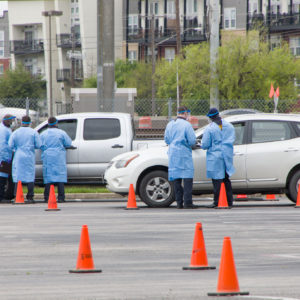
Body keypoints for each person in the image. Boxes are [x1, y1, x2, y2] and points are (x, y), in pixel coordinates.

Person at [201, 108, 235, 208]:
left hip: (215, 156)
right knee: (226, 179)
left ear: (210, 117)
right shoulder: (229, 126)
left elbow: (205, 144)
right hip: (226, 155)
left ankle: (217, 201)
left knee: (217, 180)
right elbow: (232, 139)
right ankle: (229, 201)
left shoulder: (210, 128)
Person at [164, 106, 196, 209]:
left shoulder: (170, 124)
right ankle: (188, 203)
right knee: (187, 179)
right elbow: (192, 141)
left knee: (176, 179)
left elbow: (167, 140)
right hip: (184, 153)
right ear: (185, 113)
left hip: (173, 153)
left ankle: (179, 203)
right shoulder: (187, 125)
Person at [8, 115, 42, 203]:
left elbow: (10, 145)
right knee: (30, 175)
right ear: (30, 123)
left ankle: (17, 195)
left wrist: (16, 148)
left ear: (21, 122)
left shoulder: (16, 132)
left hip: (19, 155)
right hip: (29, 156)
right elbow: (39, 145)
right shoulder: (33, 132)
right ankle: (30, 196)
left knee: (17, 175)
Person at [40, 117, 72, 203]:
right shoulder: (61, 133)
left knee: (48, 177)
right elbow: (68, 143)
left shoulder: (43, 134)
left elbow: (40, 145)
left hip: (48, 157)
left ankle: (47, 197)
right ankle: (61, 197)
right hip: (59, 157)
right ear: (56, 123)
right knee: (60, 177)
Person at [0, 114, 16, 202]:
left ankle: (7, 196)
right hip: (3, 157)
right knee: (2, 178)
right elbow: (2, 145)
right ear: (6, 120)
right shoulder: (3, 130)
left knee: (6, 177)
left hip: (6, 156)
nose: (12, 122)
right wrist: (5, 158)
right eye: (11, 121)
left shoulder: (6, 129)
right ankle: (1, 197)